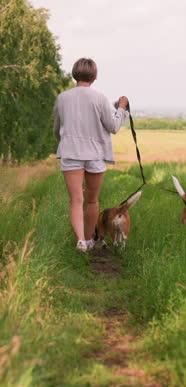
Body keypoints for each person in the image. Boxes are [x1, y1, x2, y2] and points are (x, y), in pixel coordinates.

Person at [53, 57, 129, 252]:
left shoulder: (62, 98)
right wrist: (121, 108)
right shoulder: (100, 98)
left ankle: (80, 240)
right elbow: (113, 126)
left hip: (71, 151)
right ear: (94, 76)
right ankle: (88, 240)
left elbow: (56, 129)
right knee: (92, 200)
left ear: (74, 74)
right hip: (95, 153)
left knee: (76, 200)